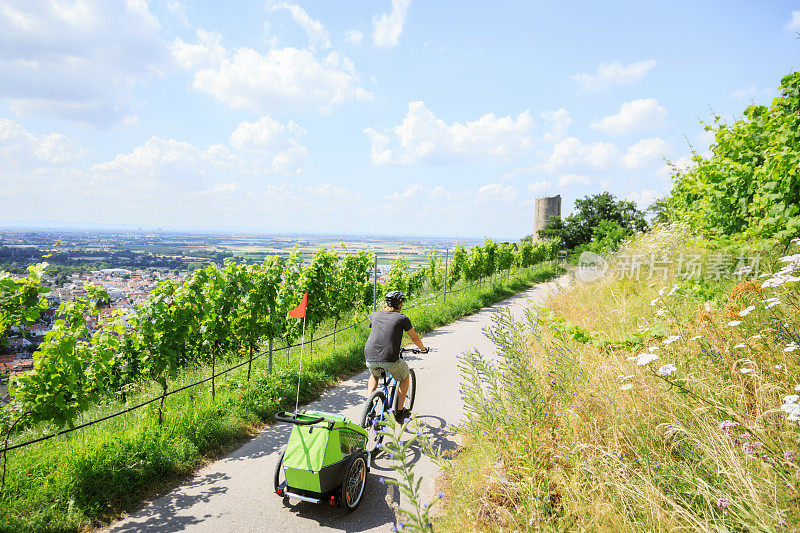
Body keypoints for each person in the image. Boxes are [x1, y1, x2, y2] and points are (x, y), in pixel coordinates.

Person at [364, 290, 427, 422]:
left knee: (374, 375)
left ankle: (369, 405)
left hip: (370, 356)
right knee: (404, 378)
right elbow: (414, 338)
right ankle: (399, 412)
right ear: (399, 305)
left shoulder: (374, 315)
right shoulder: (402, 318)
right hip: (390, 358)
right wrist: (423, 349)